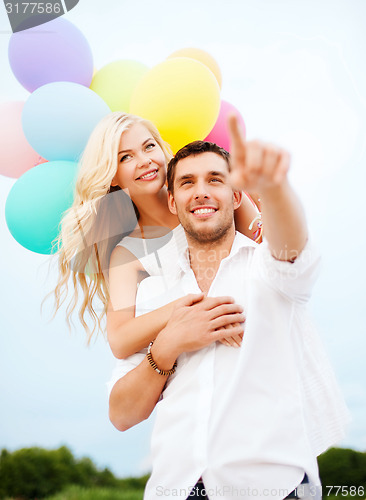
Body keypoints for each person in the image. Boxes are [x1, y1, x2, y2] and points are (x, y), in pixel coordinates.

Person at [108, 118, 350, 500]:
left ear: (238, 196)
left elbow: (293, 250)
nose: (201, 192)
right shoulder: (151, 286)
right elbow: (121, 414)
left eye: (216, 180)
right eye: (187, 183)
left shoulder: (268, 270)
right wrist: (168, 345)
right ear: (172, 199)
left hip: (276, 488)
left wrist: (274, 189)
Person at [52, 112, 261, 353]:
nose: (144, 161)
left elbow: (268, 253)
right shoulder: (128, 253)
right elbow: (120, 340)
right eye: (126, 157)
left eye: (149, 146)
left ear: (162, 150)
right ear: (111, 176)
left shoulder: (215, 196)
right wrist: (190, 309)